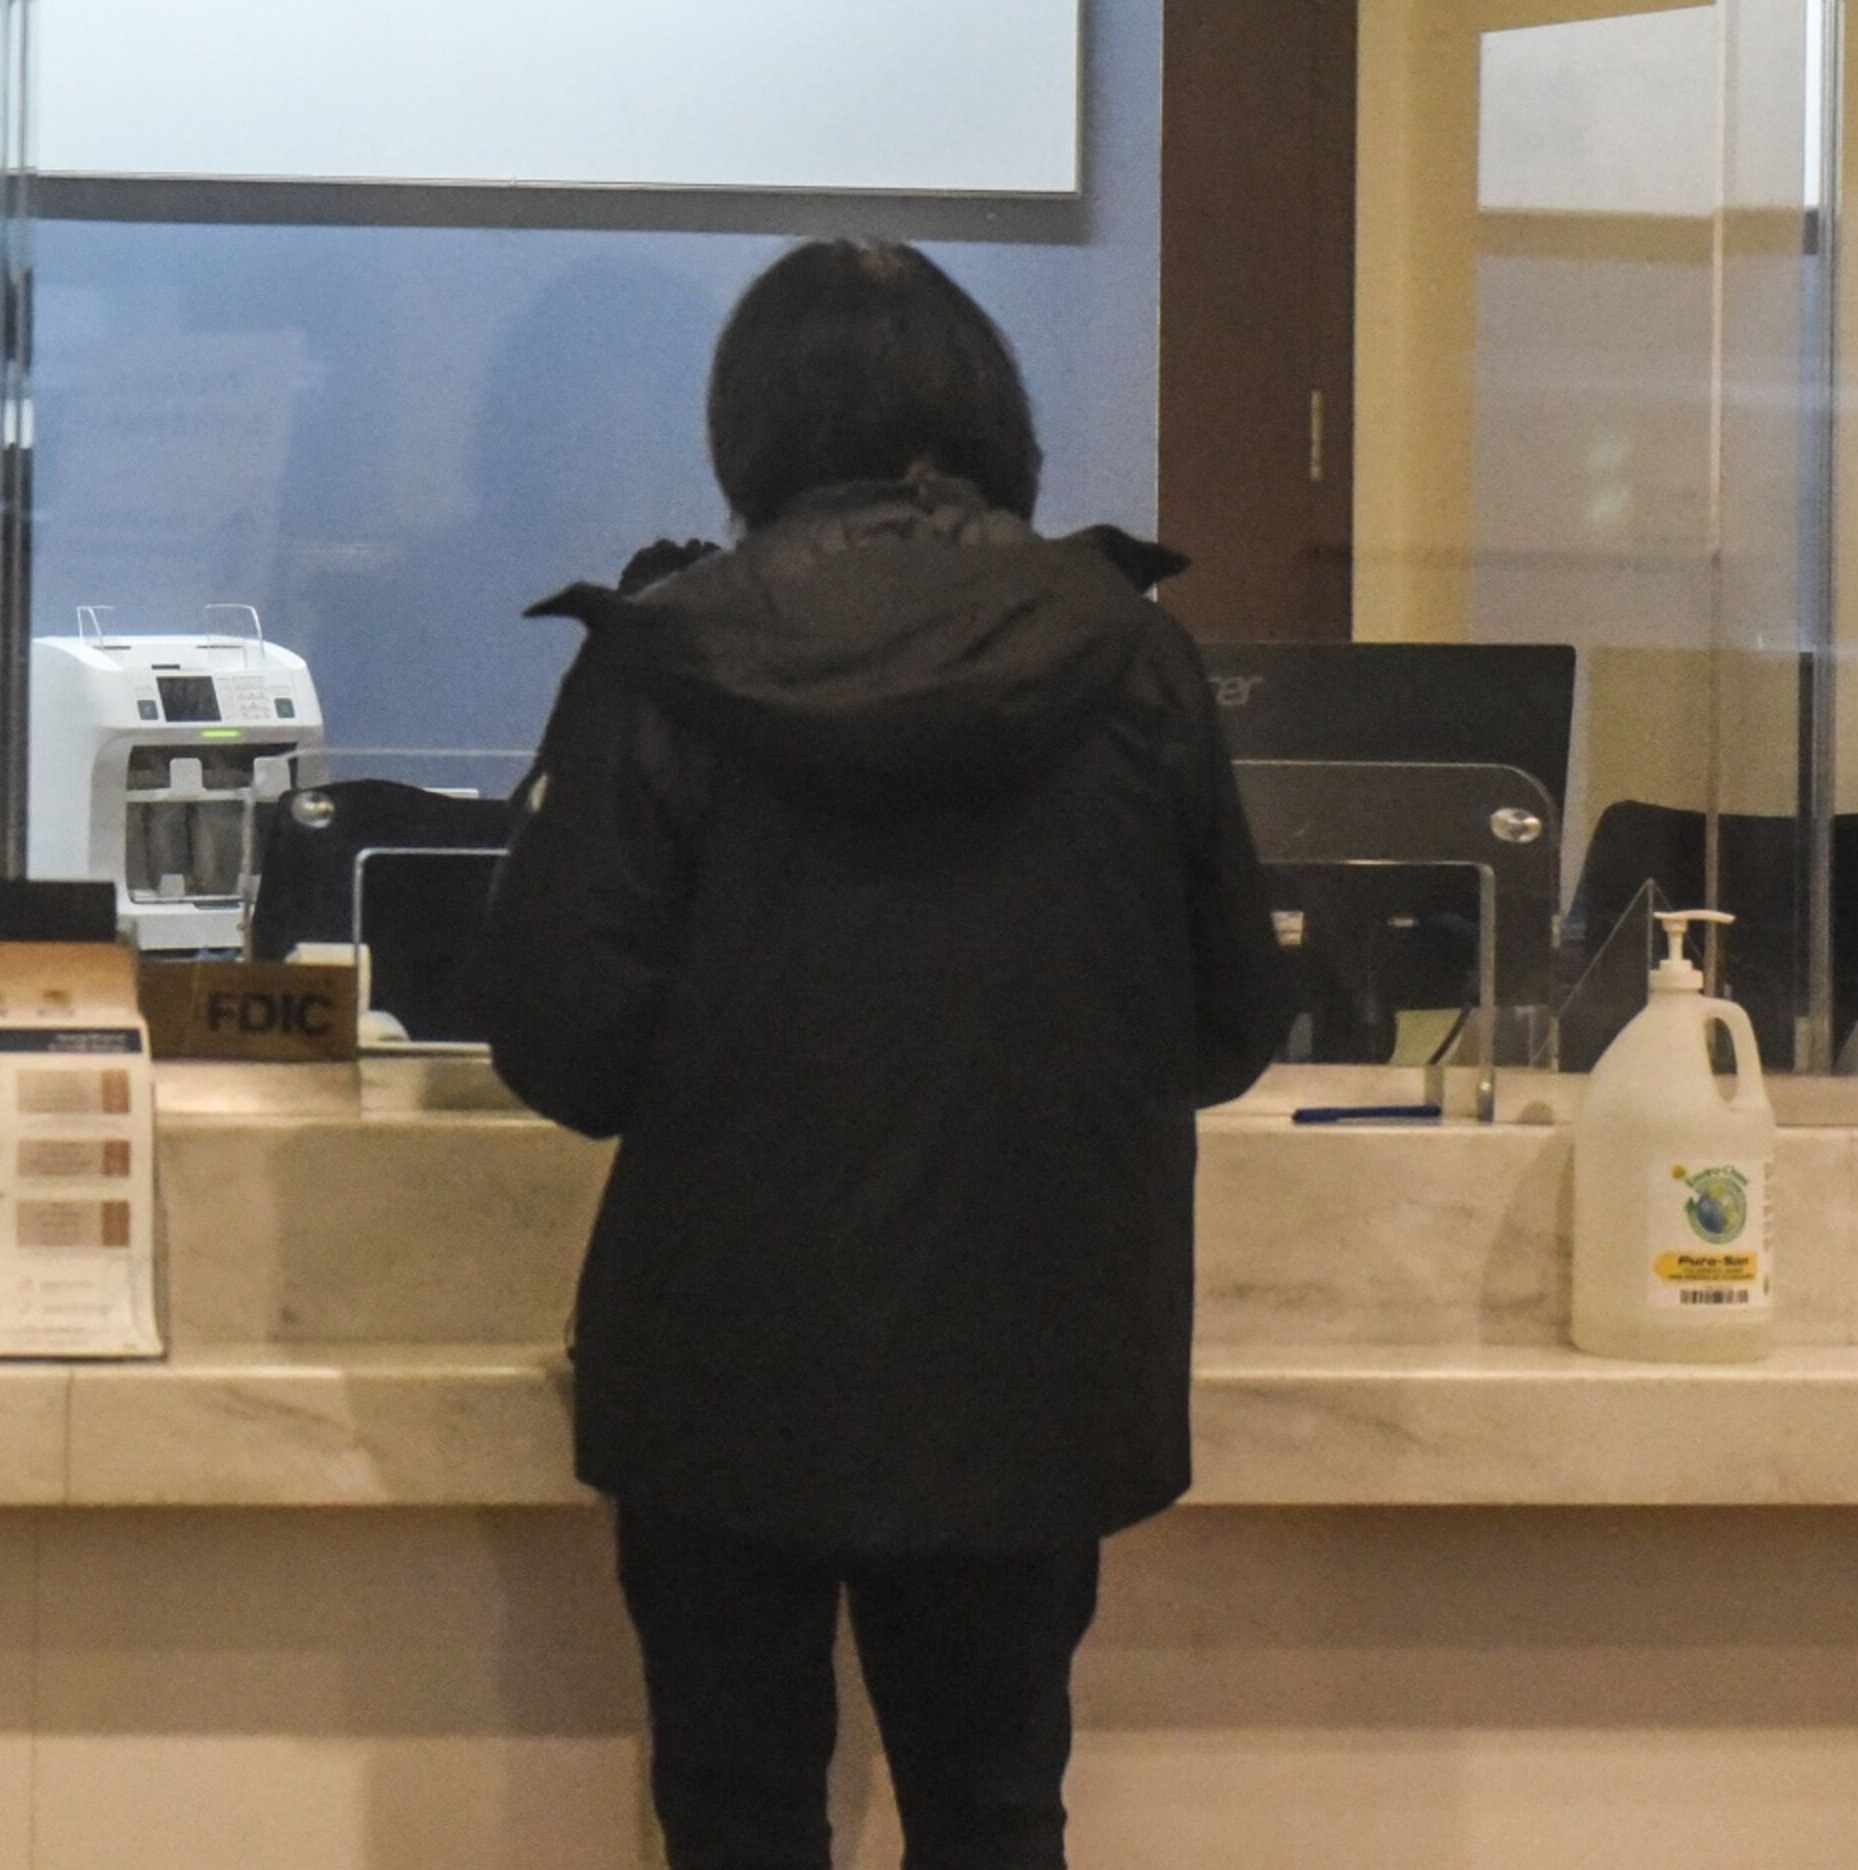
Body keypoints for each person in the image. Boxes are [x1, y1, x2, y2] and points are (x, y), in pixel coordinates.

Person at [473, 237, 1293, 1870]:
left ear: (746, 432)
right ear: (997, 408)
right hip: (1040, 1357)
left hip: (722, 1367)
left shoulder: (667, 657)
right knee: (997, 1817)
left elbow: (568, 1048)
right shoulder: (1132, 656)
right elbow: (1229, 1029)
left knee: (736, 1819)